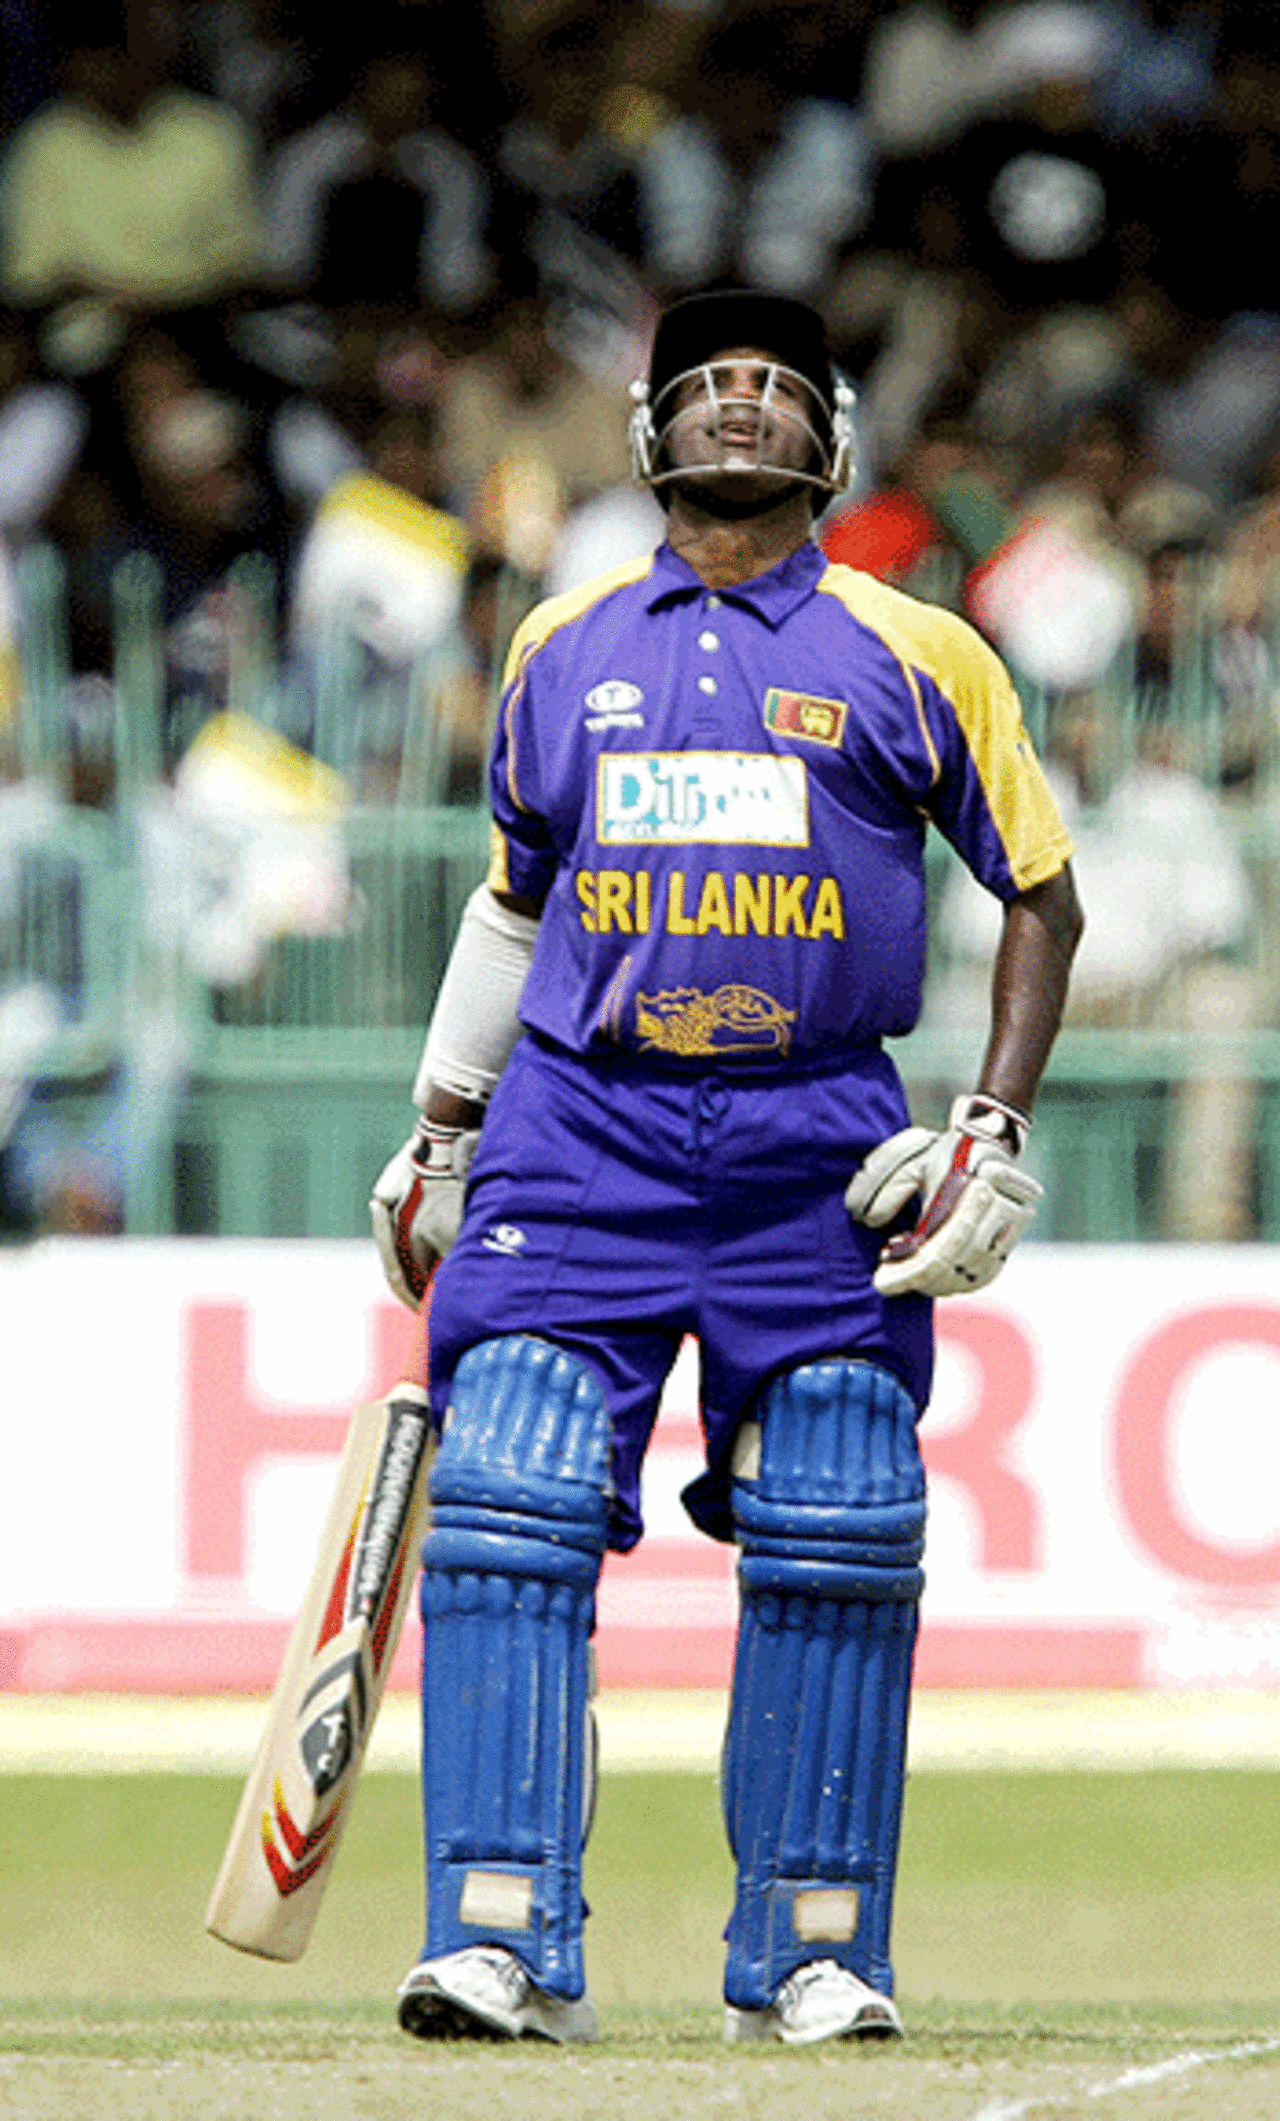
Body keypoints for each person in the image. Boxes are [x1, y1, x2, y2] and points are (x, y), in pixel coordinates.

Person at [369, 289, 1083, 2048]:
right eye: (711, 385)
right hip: (580, 1124)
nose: (743, 409)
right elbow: (516, 904)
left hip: (819, 1137)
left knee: (842, 1513)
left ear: (831, 440)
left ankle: (813, 1951)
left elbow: (1044, 901)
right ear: (649, 431)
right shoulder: (560, 646)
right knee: (512, 1496)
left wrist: (989, 1121)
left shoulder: (923, 651)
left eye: (776, 388)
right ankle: (502, 1941)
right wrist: (442, 1125)